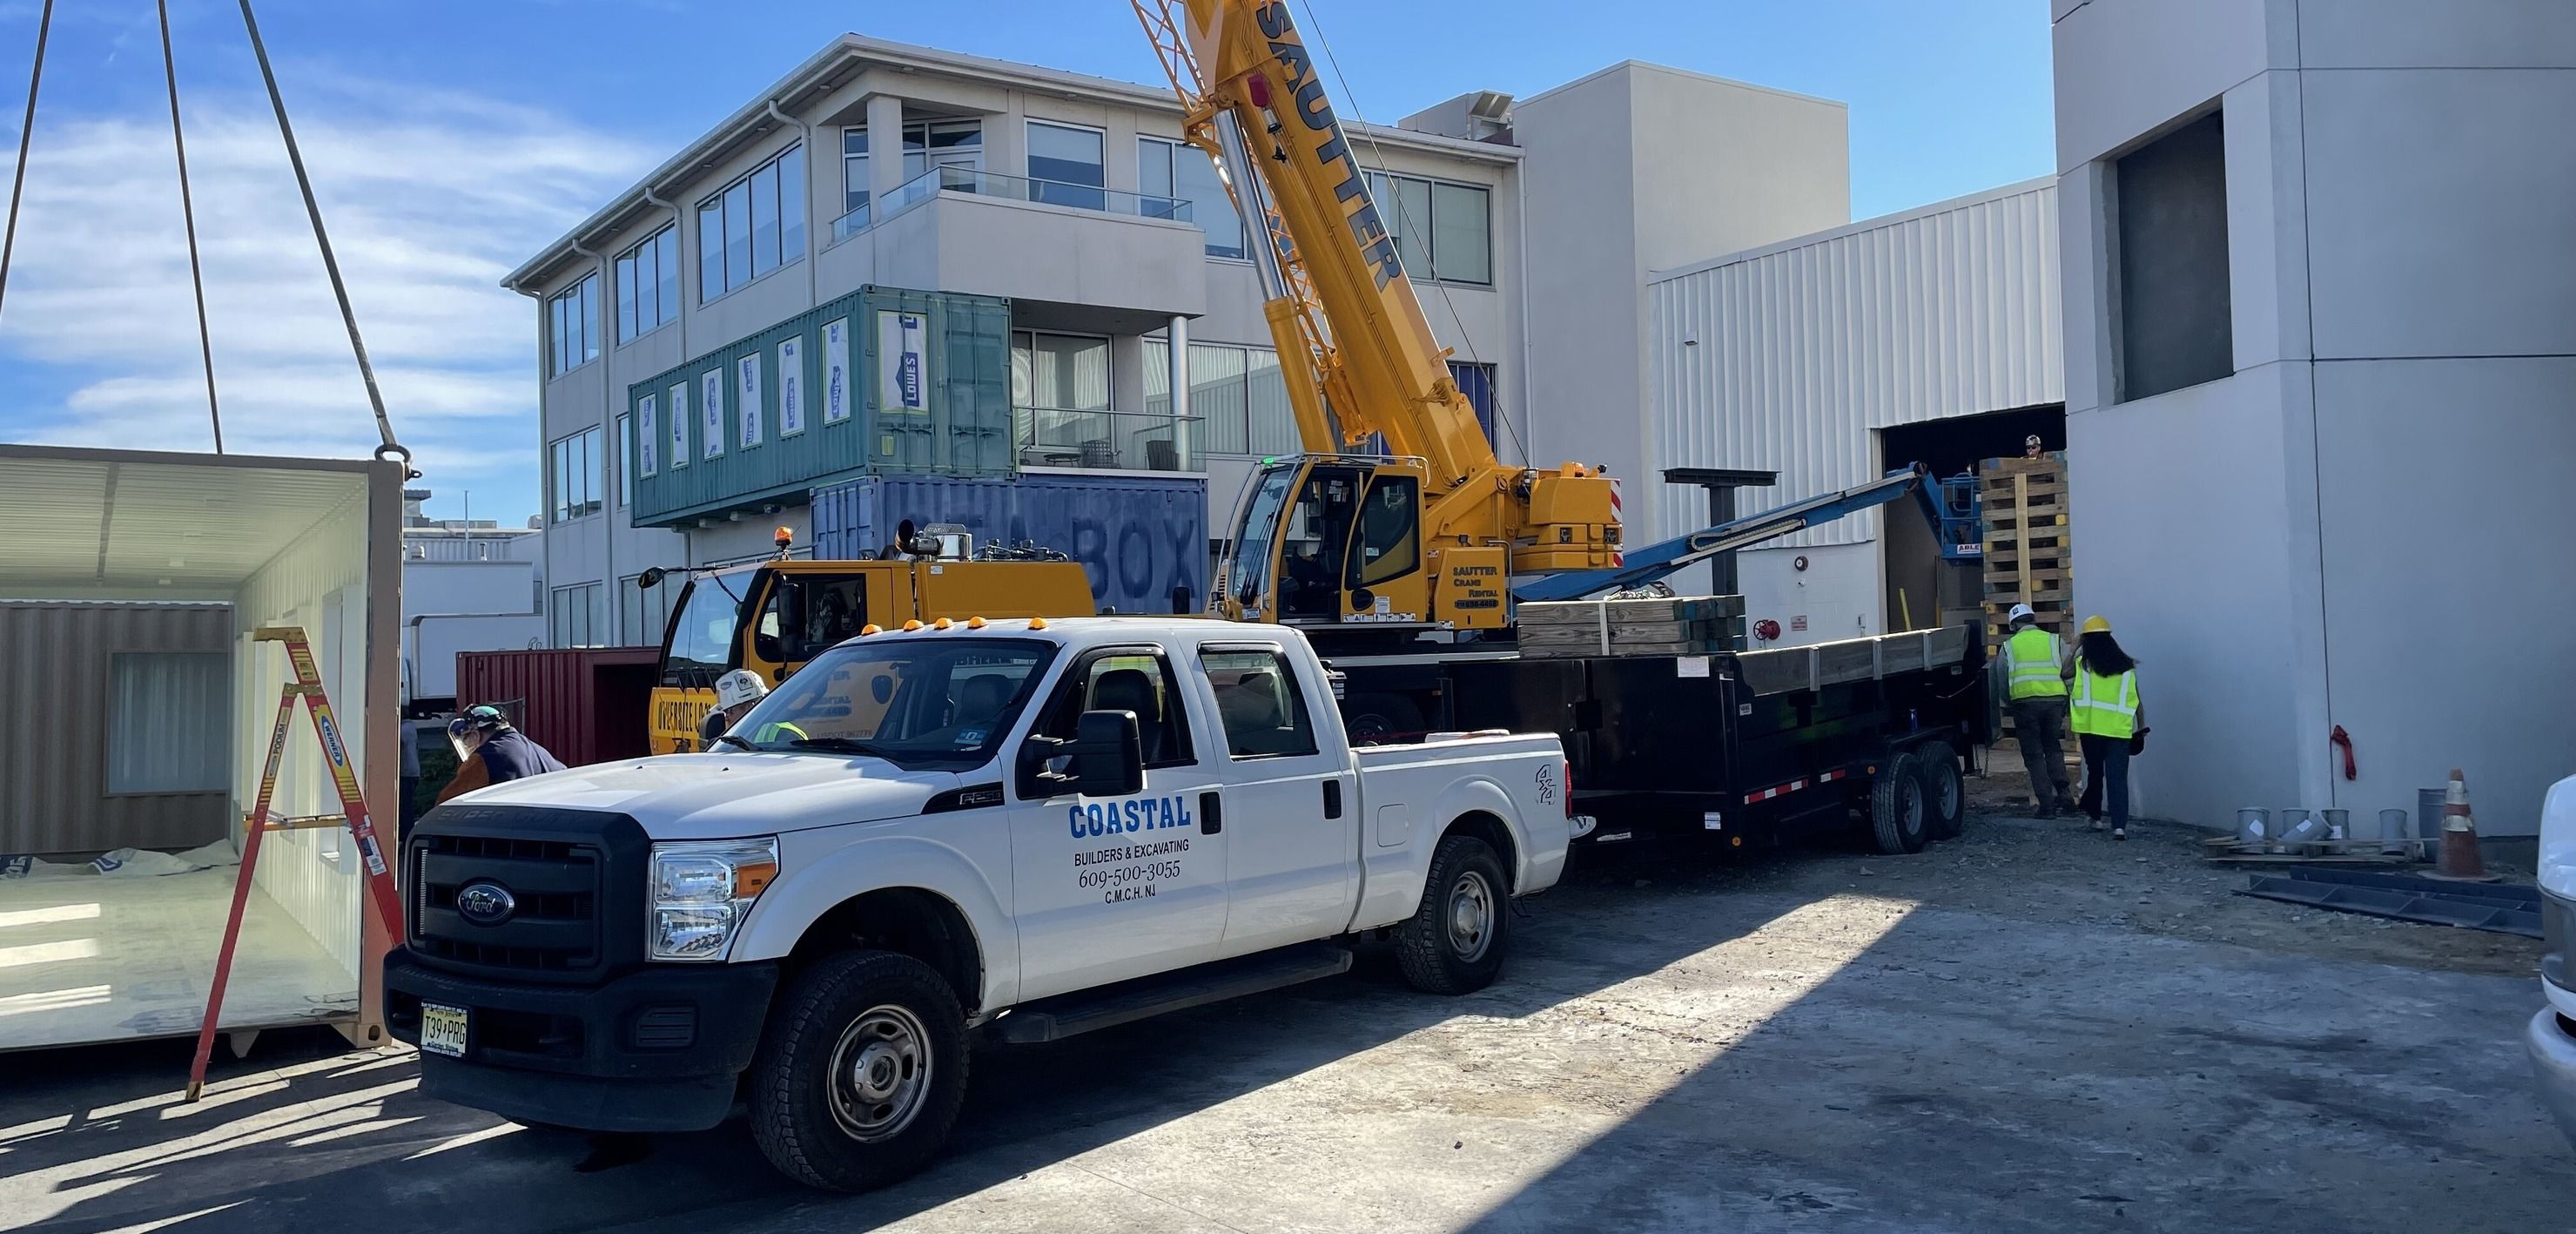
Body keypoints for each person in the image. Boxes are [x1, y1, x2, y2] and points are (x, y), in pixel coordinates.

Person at [2068, 616, 2145, 840]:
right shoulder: (2126, 667)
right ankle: (2119, 826)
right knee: (2117, 778)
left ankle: (2096, 817)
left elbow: (2063, 673)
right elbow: (2137, 700)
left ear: (2087, 641)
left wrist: (2074, 648)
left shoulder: (2083, 666)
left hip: (2091, 729)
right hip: (2120, 731)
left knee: (2095, 773)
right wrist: (2141, 727)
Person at [1998, 603, 2074, 816]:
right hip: (2054, 701)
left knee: (2033, 755)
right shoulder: (2054, 641)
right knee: (2052, 747)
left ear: (2013, 625)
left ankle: (2047, 804)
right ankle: (2065, 794)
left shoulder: (2009, 646)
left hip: (2025, 704)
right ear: (2034, 620)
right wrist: (2066, 699)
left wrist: (2008, 702)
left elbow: (2001, 680)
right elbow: (2069, 671)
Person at [434, 705, 567, 804]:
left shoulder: (483, 758)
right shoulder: (537, 750)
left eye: (466, 741)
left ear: (475, 735)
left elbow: (447, 802)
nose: (467, 746)